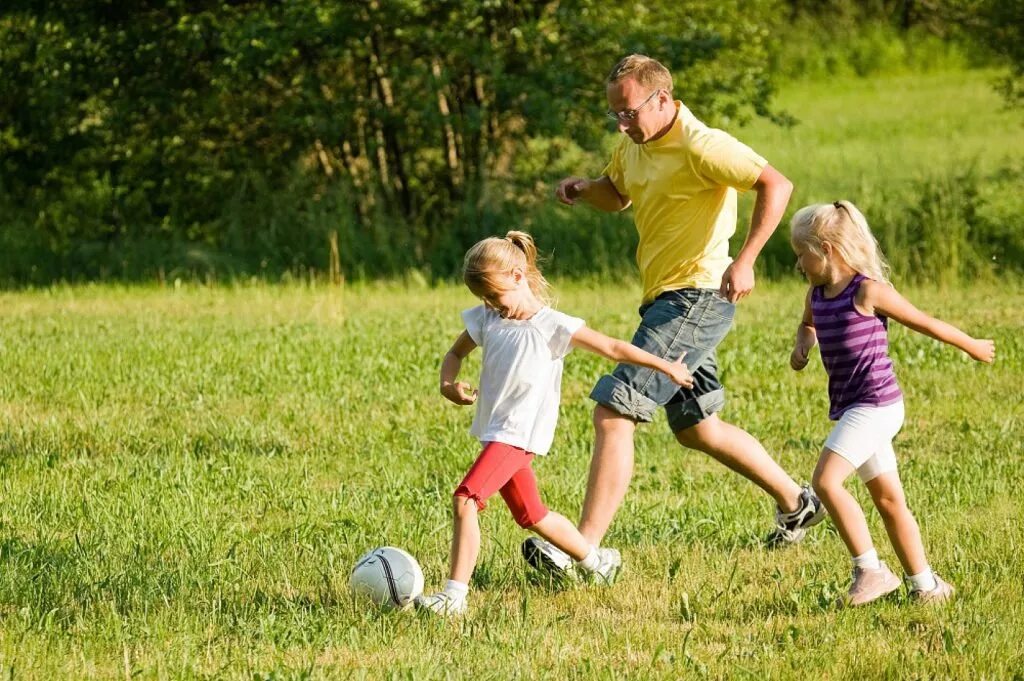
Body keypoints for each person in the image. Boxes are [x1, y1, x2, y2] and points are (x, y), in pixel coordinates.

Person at [526, 54, 823, 577]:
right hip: (666, 298)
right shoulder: (633, 145)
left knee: (614, 411)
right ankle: (796, 502)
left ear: (662, 99)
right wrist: (584, 189)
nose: (621, 123)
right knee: (698, 428)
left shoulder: (702, 144)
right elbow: (618, 195)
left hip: (696, 296)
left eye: (628, 112)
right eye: (615, 114)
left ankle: (585, 551)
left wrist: (746, 259)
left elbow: (777, 185)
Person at [416, 230, 694, 617]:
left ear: (518, 276)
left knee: (466, 499)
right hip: (495, 432)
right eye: (484, 299)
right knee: (533, 515)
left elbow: (613, 347)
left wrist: (665, 366)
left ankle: (454, 597)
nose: (492, 305)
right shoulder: (488, 318)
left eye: (496, 296)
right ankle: (597, 563)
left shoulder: (553, 326)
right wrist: (449, 383)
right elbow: (455, 353)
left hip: (516, 435)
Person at [789, 200, 995, 606]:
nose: (798, 263)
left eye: (802, 254)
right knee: (888, 500)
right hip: (853, 407)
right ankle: (927, 587)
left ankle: (870, 570)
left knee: (826, 482)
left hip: (877, 405)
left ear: (827, 248)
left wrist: (971, 344)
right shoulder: (816, 294)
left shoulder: (867, 291)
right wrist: (802, 345)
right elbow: (808, 324)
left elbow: (925, 322)